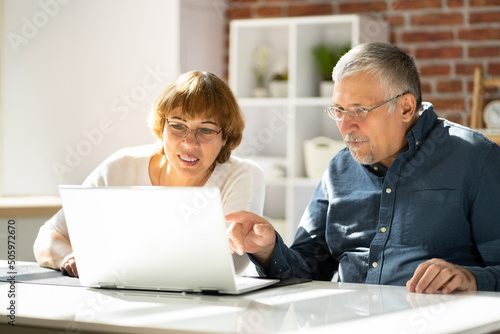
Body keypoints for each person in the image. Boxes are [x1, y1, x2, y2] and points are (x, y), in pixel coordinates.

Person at [226, 42, 500, 294]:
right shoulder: (338, 169)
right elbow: (306, 271)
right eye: (339, 111)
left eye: (358, 111)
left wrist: (471, 279)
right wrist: (268, 248)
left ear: (406, 108)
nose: (345, 127)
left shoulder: (477, 159)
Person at [34, 71, 265, 277]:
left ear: (226, 138)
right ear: (161, 127)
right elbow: (49, 235)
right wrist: (68, 258)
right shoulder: (120, 167)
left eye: (205, 130)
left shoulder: (242, 175)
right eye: (177, 125)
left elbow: (232, 263)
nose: (189, 142)